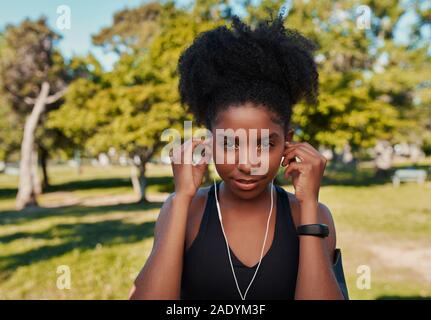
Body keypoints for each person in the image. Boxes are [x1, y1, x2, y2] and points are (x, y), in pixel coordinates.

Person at [129, 14, 348, 300]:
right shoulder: (184, 209)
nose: (247, 164)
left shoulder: (312, 214)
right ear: (209, 143)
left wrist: (308, 206)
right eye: (230, 144)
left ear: (288, 142)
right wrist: (181, 197)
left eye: (263, 144)